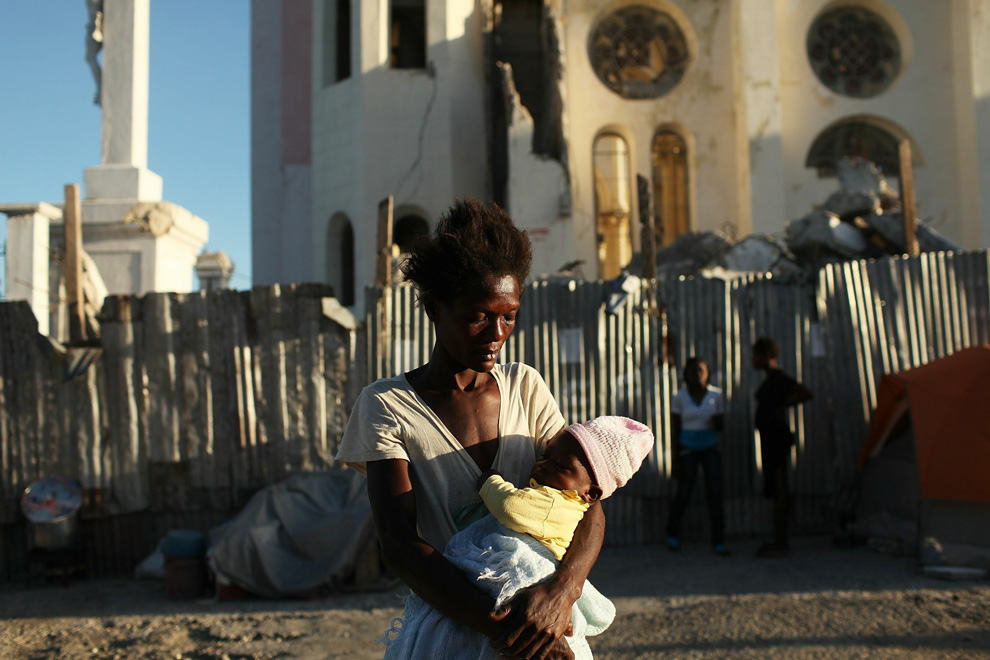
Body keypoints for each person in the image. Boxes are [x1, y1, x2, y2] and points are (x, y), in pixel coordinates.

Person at [336, 198, 604, 660]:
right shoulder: (387, 407)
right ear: (435, 308)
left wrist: (563, 591)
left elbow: (587, 501)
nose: (496, 333)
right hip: (456, 626)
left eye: (509, 315)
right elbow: (400, 546)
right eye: (478, 315)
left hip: (548, 620)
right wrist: (506, 630)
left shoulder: (526, 388)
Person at [384, 416, 655, 660]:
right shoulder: (562, 494)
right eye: (544, 456)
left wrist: (491, 482)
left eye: (560, 465)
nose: (543, 466)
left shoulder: (555, 502)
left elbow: (510, 507)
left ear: (591, 494)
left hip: (524, 571)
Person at [751, 336, 813, 558]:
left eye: (756, 355)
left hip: (777, 439)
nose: (752, 360)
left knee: (779, 489)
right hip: (771, 439)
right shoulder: (770, 379)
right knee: (776, 488)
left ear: (767, 356)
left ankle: (781, 541)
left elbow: (806, 393)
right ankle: (779, 539)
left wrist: (780, 406)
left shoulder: (779, 378)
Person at [664, 356, 728, 556]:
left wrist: (718, 421)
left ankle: (718, 541)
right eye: (693, 371)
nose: (697, 375)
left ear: (708, 373)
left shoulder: (716, 396)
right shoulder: (680, 397)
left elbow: (720, 427)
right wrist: (675, 458)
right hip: (688, 448)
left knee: (714, 492)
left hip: (710, 447)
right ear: (686, 375)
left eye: (701, 370)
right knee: (684, 490)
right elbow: (676, 430)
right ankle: (672, 535)